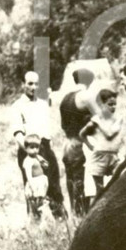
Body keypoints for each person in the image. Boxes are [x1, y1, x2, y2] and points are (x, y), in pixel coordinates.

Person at [11, 70, 65, 220]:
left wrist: (47, 147)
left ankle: (60, 219)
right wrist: (32, 154)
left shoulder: (42, 104)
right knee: (34, 188)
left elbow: (46, 129)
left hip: (45, 147)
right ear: (23, 85)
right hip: (29, 150)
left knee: (53, 184)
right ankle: (35, 221)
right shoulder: (17, 106)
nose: (33, 87)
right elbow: (18, 134)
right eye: (30, 83)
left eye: (36, 83)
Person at [79, 85, 124, 210]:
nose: (113, 107)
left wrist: (99, 122)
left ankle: (115, 209)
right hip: (99, 157)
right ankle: (95, 213)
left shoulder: (117, 119)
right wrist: (90, 145)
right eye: (110, 104)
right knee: (99, 189)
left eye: (115, 104)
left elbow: (110, 134)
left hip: (113, 157)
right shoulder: (95, 120)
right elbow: (82, 134)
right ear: (101, 105)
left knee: (118, 183)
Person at [60, 67, 97, 217]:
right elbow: (101, 118)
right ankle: (82, 217)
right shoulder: (85, 97)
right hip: (80, 144)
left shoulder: (65, 98)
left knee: (71, 181)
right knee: (82, 181)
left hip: (67, 143)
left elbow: (63, 125)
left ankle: (75, 214)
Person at [21, 133, 51, 222]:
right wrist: (33, 187)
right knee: (36, 202)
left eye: (37, 147)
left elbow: (46, 166)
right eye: (32, 147)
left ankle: (43, 219)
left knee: (42, 200)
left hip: (41, 182)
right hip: (35, 183)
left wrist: (42, 161)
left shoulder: (37, 157)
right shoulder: (28, 161)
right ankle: (36, 219)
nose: (35, 150)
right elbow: (28, 176)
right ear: (26, 148)